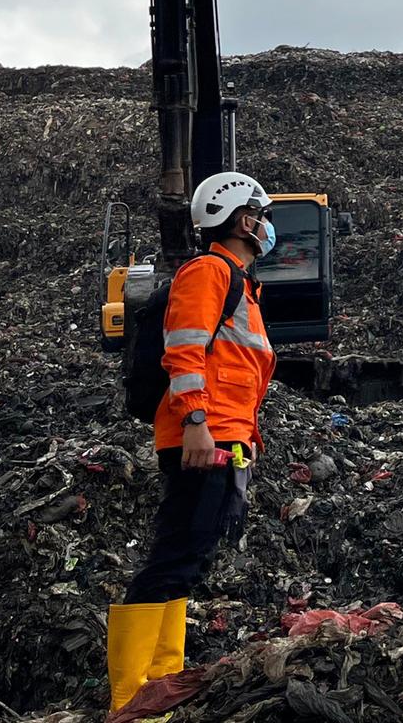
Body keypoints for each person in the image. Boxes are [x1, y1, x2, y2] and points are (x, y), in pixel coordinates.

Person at [107, 171, 278, 711]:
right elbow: (183, 351)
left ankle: (162, 685)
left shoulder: (242, 286)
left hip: (225, 435)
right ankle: (131, 700)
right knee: (173, 556)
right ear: (242, 220)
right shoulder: (209, 272)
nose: (267, 225)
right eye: (260, 213)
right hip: (203, 435)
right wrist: (197, 424)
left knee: (188, 557)